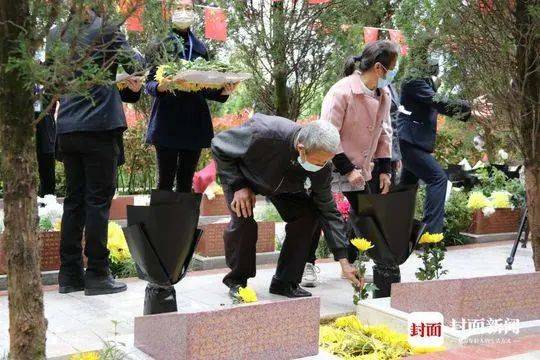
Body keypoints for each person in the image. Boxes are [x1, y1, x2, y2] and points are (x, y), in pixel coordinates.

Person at [211, 114, 363, 299]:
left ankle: (285, 282)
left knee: (308, 216)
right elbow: (219, 145)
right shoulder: (264, 133)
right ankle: (237, 281)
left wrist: (343, 260)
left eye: (326, 162)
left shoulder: (322, 166)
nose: (322, 166)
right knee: (244, 221)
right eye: (318, 162)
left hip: (283, 186)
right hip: (244, 177)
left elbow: (328, 209)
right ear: (301, 149)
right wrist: (238, 185)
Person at [47, 5, 143, 295]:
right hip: (98, 127)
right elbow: (134, 66)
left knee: (74, 202)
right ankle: (98, 274)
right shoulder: (107, 29)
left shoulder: (55, 34)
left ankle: (69, 275)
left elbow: (54, 78)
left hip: (67, 127)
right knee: (97, 202)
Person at [301, 41, 399, 288]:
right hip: (329, 163)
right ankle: (306, 264)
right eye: (393, 67)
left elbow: (384, 131)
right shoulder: (341, 92)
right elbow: (327, 133)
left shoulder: (383, 95)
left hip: (362, 167)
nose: (393, 72)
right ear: (379, 68)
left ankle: (365, 262)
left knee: (365, 214)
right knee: (317, 214)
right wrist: (347, 169)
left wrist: (385, 169)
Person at [145, 0, 233, 193]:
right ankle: (161, 224)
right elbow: (148, 84)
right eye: (178, 7)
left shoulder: (200, 47)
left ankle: (185, 224)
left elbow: (204, 86)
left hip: (194, 122)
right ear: (169, 11)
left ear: (194, 12)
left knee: (186, 182)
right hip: (167, 121)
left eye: (188, 8)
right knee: (165, 181)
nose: (183, 12)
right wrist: (161, 86)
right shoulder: (158, 44)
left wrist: (223, 91)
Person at [397, 54, 489, 236]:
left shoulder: (424, 80)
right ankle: (430, 234)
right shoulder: (413, 80)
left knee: (406, 188)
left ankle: (395, 228)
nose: (436, 64)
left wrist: (471, 108)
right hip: (409, 141)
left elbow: (441, 102)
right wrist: (471, 107)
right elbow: (439, 102)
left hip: (414, 141)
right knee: (438, 178)